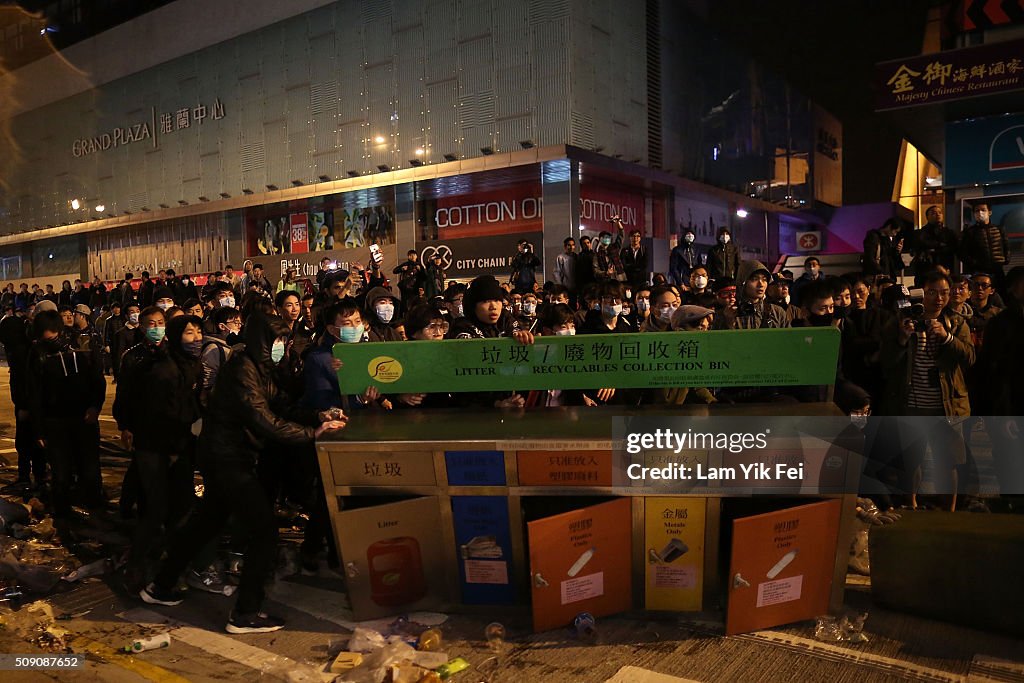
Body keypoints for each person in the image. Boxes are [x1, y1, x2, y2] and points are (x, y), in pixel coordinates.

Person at [141, 314, 346, 633]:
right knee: (264, 532)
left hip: (232, 457)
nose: (280, 347)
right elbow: (264, 419)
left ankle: (160, 586)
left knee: (204, 523)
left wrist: (318, 415)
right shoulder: (242, 369)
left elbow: (282, 406)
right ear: (261, 342)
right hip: (227, 460)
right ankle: (245, 613)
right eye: (275, 341)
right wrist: (312, 433)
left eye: (283, 342)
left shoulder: (262, 369)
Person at [114, 313, 203, 589]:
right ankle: (136, 565)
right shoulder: (162, 369)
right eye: (190, 333)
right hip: (156, 448)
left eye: (199, 332)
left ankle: (174, 562)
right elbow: (157, 414)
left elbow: (190, 407)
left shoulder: (190, 364)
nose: (197, 338)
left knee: (183, 507)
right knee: (156, 510)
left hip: (180, 446)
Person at [879, 271, 974, 511]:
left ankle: (949, 510)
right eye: (932, 292)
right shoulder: (902, 319)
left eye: (944, 292)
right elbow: (886, 362)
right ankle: (911, 505)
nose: (939, 298)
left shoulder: (956, 322)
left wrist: (947, 338)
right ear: (921, 292)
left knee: (949, 462)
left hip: (947, 403)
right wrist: (902, 338)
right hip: (912, 402)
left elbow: (970, 357)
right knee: (911, 461)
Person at [26, 310, 106, 521]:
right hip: (54, 421)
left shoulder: (83, 344)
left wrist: (95, 406)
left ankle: (96, 509)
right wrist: (39, 429)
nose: (50, 339)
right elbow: (34, 393)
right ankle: (63, 514)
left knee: (89, 468)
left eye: (53, 334)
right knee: (60, 473)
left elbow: (97, 378)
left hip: (84, 417)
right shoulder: (37, 353)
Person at [0, 302, 45, 490]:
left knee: (33, 441)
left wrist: (25, 405)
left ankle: (37, 478)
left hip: (30, 404)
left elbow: (29, 380)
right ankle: (28, 476)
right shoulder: (21, 347)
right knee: (26, 442)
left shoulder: (24, 350)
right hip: (24, 402)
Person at [719, 260, 789, 330]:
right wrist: (729, 324)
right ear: (742, 282)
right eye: (754, 279)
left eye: (764, 279)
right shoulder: (728, 313)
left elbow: (788, 339)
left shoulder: (777, 312)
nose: (761, 284)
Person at [960, 201, 1010, 294]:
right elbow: (962, 252)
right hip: (980, 271)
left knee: (1002, 293)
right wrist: (974, 263)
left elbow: (1006, 245)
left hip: (997, 269)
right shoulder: (969, 232)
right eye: (977, 211)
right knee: (982, 294)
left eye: (983, 210)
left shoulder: (998, 229)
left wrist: (1006, 259)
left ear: (989, 212)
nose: (980, 213)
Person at [911, 206, 957, 282]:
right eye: (933, 213)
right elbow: (920, 249)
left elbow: (954, 250)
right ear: (927, 217)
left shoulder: (949, 233)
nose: (938, 215)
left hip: (946, 271)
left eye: (940, 212)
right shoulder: (920, 233)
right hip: (925, 272)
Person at [592, 218, 625, 283]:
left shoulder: (615, 248)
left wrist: (618, 223)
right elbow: (595, 270)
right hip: (606, 281)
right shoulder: (597, 254)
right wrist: (605, 273)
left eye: (608, 237)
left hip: (619, 278)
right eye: (605, 237)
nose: (607, 239)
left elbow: (621, 236)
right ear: (600, 239)